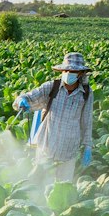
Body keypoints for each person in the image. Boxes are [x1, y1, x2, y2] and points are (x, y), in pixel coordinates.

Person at [16, 51, 94, 183]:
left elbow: (87, 120)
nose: (68, 73)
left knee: (63, 186)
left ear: (81, 74)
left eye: (73, 71)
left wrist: (88, 146)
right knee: (39, 183)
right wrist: (21, 100)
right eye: (66, 70)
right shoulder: (52, 87)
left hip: (69, 149)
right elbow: (30, 96)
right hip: (47, 145)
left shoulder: (86, 93)